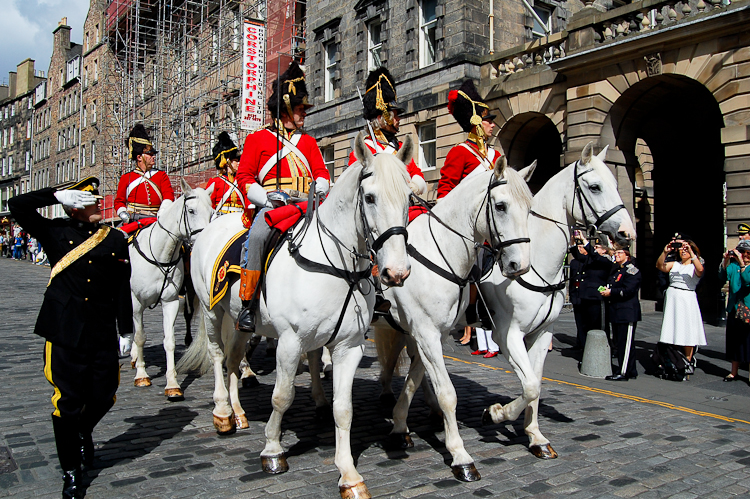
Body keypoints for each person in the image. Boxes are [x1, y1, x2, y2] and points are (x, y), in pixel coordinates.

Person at [8, 177, 133, 499]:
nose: (98, 206)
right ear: (74, 207)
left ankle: (81, 431)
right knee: (67, 401)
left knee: (105, 395)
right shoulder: (55, 233)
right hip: (64, 329)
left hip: (101, 329)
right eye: (90, 202)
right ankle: (71, 471)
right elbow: (17, 206)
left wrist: (127, 330)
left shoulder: (115, 239)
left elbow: (121, 289)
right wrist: (54, 194)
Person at [234, 61, 330, 332]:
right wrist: (265, 199)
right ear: (286, 108)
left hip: (305, 205)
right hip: (274, 207)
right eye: (301, 109)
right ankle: (247, 304)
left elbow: (321, 173)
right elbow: (244, 178)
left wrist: (320, 188)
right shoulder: (257, 139)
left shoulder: (308, 142)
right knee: (257, 236)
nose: (304, 114)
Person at [347, 67, 426, 196]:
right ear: (382, 118)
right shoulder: (366, 148)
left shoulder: (399, 147)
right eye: (394, 115)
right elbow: (354, 185)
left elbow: (416, 173)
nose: (398, 119)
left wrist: (414, 186)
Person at [437, 80, 500, 199]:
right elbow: (446, 188)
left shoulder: (495, 155)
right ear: (477, 122)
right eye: (489, 121)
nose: (493, 125)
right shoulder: (459, 152)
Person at [656, 237, 706, 365]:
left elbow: (700, 270)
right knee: (674, 327)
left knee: (687, 329)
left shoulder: (695, 265)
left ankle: (688, 360)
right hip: (673, 297)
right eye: (681, 249)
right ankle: (675, 358)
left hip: (687, 298)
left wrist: (691, 251)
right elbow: (660, 266)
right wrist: (665, 252)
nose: (683, 251)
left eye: (686, 249)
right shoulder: (675, 264)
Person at [114, 124, 175, 224]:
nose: (153, 157)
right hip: (134, 219)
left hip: (156, 219)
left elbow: (168, 196)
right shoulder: (127, 178)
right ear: (139, 157)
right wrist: (122, 213)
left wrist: (163, 211)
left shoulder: (161, 175)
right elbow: (119, 201)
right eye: (149, 154)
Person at [601, 248, 642, 381]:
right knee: (620, 342)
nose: (616, 255)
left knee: (625, 343)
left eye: (620, 253)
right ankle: (630, 370)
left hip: (626, 312)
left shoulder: (632, 270)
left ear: (627, 255)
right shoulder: (617, 270)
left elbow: (628, 290)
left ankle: (624, 372)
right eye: (615, 253)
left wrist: (611, 292)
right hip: (617, 311)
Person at [569, 231, 613, 350]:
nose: (595, 248)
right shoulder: (591, 260)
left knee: (597, 326)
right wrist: (573, 242)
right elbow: (578, 255)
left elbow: (595, 256)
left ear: (604, 250)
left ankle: (602, 349)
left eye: (597, 247)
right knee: (584, 325)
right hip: (585, 297)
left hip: (596, 298)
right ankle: (586, 349)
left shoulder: (606, 261)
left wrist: (584, 240)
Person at [719, 239, 750, 382]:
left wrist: (743, 265)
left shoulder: (746, 266)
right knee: (734, 342)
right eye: (742, 252)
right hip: (734, 309)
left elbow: (747, 280)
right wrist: (725, 261)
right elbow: (722, 276)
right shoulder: (734, 266)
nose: (744, 255)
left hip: (748, 310)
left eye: (747, 252)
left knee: (748, 342)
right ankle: (733, 372)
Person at [205, 131, 247, 215]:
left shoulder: (241, 180)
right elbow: (209, 204)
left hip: (239, 217)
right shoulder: (215, 181)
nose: (238, 163)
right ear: (227, 162)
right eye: (235, 161)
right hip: (221, 217)